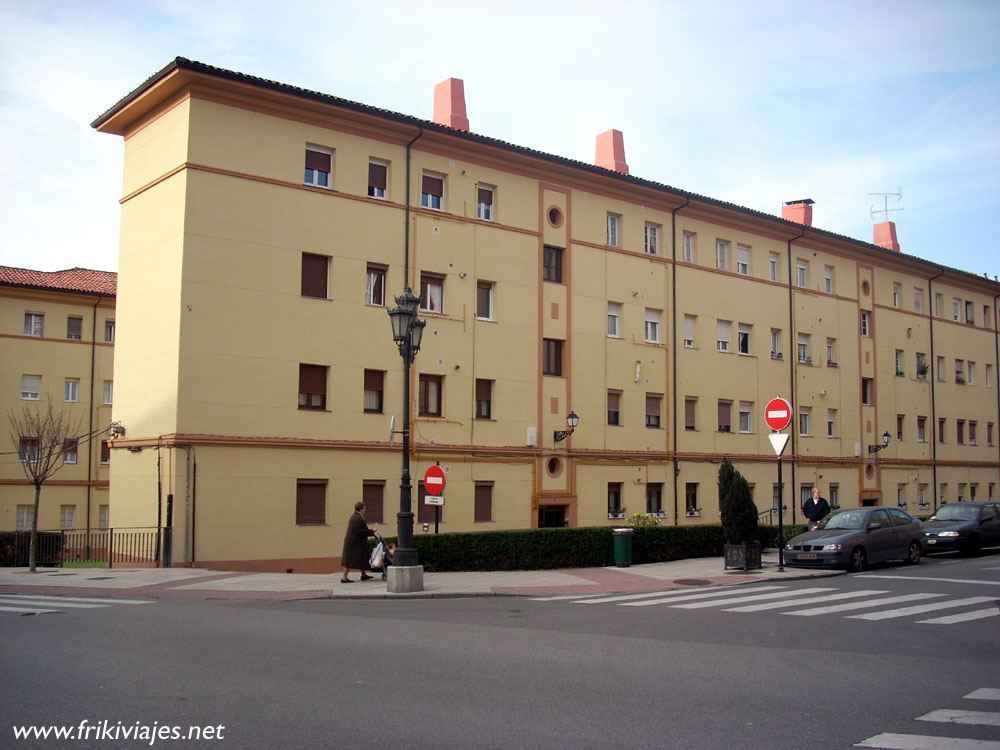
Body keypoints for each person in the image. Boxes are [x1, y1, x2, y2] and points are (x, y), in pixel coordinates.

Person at [341, 501, 377, 583]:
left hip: (356, 542)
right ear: (360, 509)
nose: (366, 510)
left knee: (362, 557)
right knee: (349, 560)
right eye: (364, 508)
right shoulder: (357, 518)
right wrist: (371, 531)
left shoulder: (357, 517)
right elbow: (362, 530)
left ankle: (363, 574)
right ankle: (344, 577)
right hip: (353, 543)